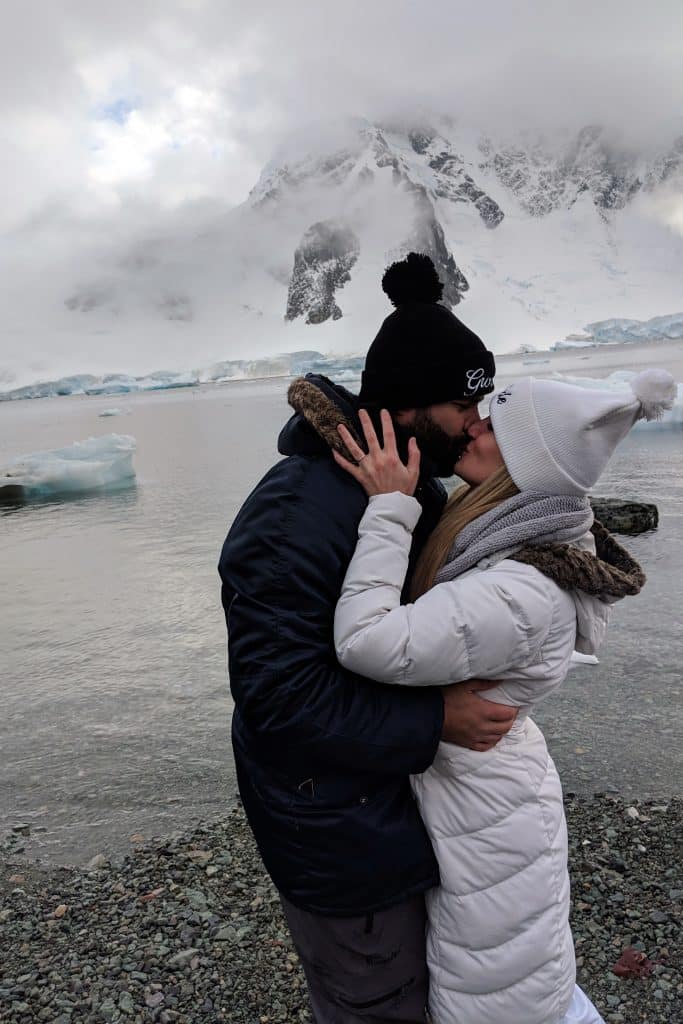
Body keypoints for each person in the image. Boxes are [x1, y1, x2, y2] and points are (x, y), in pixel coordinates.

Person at [218, 252, 517, 1022]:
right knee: (374, 1000)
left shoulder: (405, 491)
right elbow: (278, 703)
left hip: (387, 808)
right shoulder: (295, 516)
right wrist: (436, 720)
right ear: (412, 406)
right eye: (465, 410)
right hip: (338, 836)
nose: (477, 427)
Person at [332, 368, 676, 1024]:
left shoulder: (517, 590)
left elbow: (365, 640)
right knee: (509, 969)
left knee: (494, 989)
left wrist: (389, 508)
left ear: (525, 463)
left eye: (495, 427)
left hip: (488, 811)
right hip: (494, 794)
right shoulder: (518, 546)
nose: (474, 426)